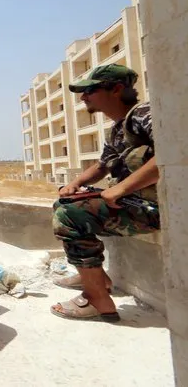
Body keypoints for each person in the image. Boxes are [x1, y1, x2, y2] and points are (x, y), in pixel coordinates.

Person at [50, 63, 160, 322]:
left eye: (90, 90)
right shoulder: (118, 128)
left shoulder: (145, 113)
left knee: (69, 216)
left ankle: (97, 300)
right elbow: (102, 165)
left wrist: (120, 189)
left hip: (154, 209)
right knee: (63, 204)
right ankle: (95, 277)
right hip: (134, 203)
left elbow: (172, 150)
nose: (83, 96)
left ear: (116, 89)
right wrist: (75, 184)